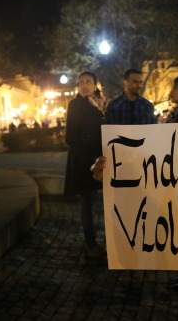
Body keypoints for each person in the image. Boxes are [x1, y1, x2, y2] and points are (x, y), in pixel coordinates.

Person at [64, 71, 107, 259]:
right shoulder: (75, 105)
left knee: (106, 201)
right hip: (84, 160)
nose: (84, 85)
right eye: (81, 82)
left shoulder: (101, 103)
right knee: (87, 203)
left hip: (101, 158)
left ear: (95, 84)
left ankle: (112, 241)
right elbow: (70, 137)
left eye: (88, 82)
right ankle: (91, 244)